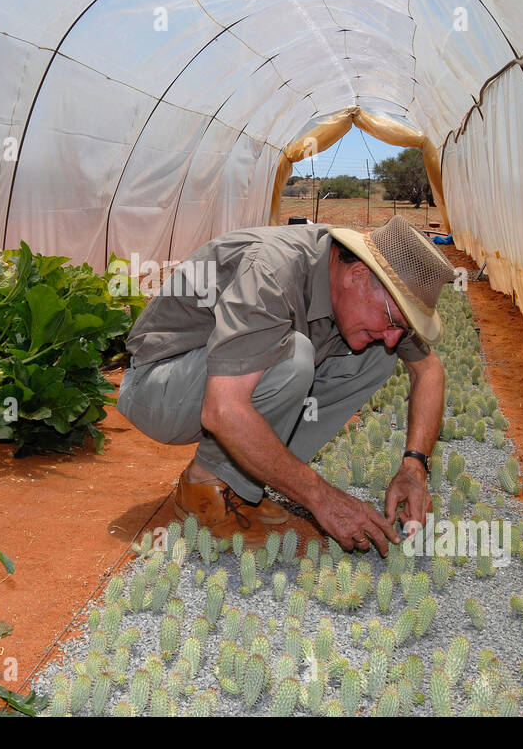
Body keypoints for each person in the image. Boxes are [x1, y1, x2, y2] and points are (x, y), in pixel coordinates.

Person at [115, 215, 457, 554]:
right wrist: (321, 498)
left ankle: (242, 481)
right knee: (292, 356)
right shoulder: (272, 272)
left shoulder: (365, 291)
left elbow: (429, 371)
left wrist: (414, 466)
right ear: (358, 275)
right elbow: (223, 409)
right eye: (393, 320)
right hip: (158, 385)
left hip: (217, 387)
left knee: (379, 356)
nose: (395, 334)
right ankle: (205, 486)